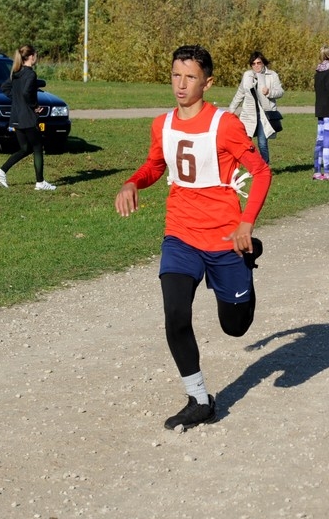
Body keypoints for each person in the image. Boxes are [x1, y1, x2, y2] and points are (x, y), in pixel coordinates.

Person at [114, 45, 272, 430]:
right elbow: (155, 165)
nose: (181, 84)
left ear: (207, 82)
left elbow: (262, 172)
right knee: (175, 314)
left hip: (224, 238)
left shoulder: (225, 124)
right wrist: (133, 182)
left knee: (234, 327)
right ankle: (199, 398)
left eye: (190, 77)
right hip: (180, 234)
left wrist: (246, 224)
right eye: (175, 75)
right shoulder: (162, 124)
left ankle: (247, 262)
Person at [0, 45, 55, 191]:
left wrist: (17, 99)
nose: (36, 58)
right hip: (28, 117)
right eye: (36, 55)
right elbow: (26, 93)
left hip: (16, 117)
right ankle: (40, 182)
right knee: (38, 147)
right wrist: (34, 106)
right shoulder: (30, 74)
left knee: (25, 148)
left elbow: (4, 87)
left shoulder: (16, 72)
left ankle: (1, 171)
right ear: (31, 56)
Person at [228, 51, 284, 164]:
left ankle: (264, 167)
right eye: (253, 64)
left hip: (265, 114)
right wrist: (230, 111)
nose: (256, 66)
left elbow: (280, 92)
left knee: (262, 143)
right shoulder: (247, 75)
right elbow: (240, 93)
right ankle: (249, 165)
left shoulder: (272, 75)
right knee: (246, 142)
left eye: (259, 63)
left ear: (263, 63)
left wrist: (269, 92)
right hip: (249, 114)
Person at [312, 46, 329, 180]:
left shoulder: (318, 71)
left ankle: (317, 171)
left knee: (319, 140)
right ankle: (327, 172)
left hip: (319, 109)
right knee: (328, 142)